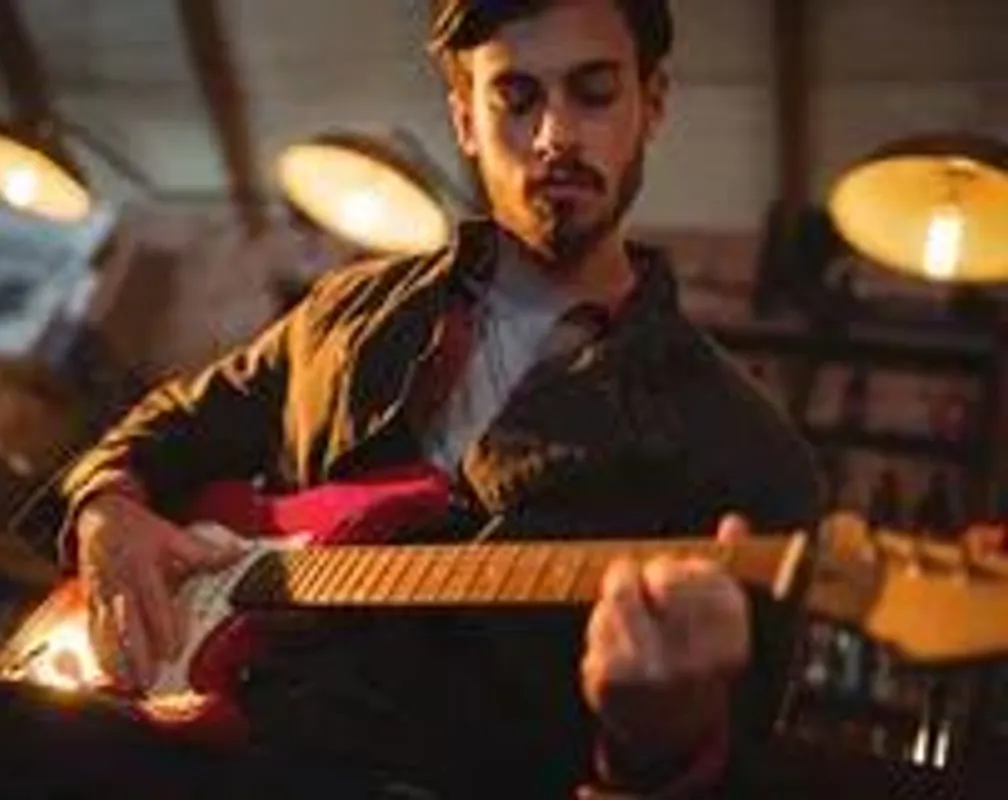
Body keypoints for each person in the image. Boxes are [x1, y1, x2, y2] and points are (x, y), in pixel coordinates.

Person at [60, 0, 823, 797]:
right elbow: (169, 423)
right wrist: (106, 507)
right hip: (156, 739)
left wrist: (660, 748)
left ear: (652, 103)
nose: (557, 135)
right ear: (463, 118)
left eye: (593, 93)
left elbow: (733, 776)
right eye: (516, 98)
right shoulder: (346, 308)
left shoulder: (750, 453)